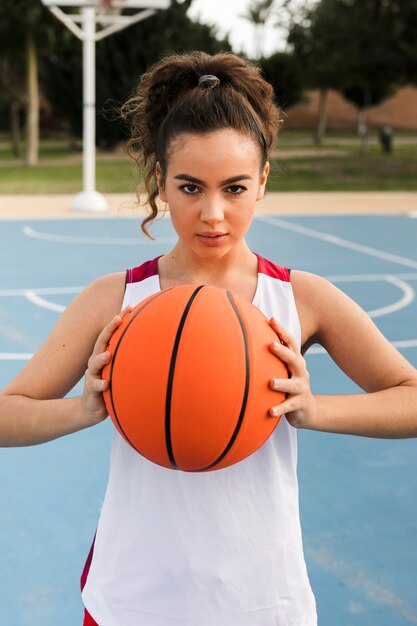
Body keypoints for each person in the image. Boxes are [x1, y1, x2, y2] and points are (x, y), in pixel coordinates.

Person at [1, 51, 417, 626]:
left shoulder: (301, 297)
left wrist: (315, 408)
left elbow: (410, 396)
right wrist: (84, 409)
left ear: (263, 181)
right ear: (159, 182)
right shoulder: (114, 298)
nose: (213, 213)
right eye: (190, 187)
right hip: (132, 600)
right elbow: (6, 415)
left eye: (235, 187)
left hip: (262, 601)